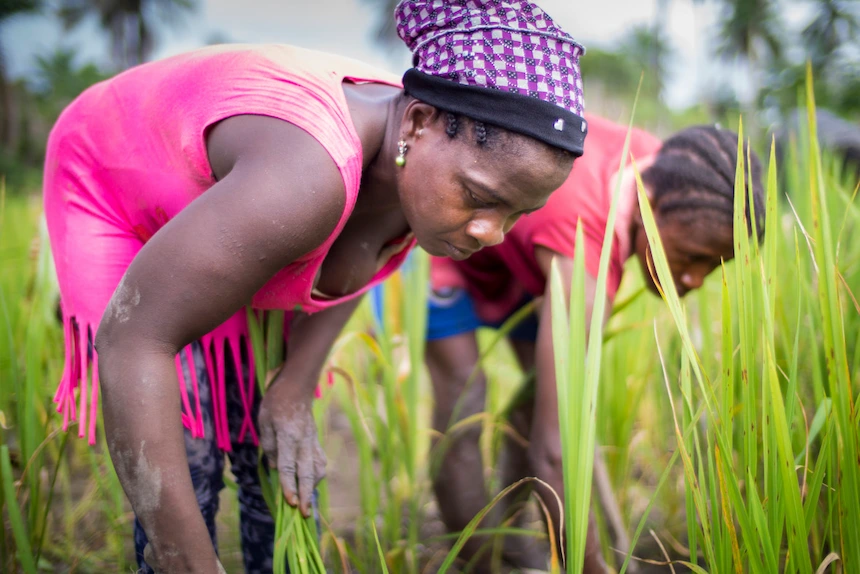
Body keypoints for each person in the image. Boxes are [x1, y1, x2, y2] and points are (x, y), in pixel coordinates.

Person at [43, 1, 588, 571]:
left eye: (516, 215)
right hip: (113, 170)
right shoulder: (306, 179)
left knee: (272, 450)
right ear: (418, 124)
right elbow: (134, 340)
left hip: (243, 208)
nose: (492, 234)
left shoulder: (421, 181)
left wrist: (295, 385)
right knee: (192, 458)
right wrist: (183, 557)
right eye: (480, 198)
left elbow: (349, 268)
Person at [425, 115, 765, 572]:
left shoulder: (672, 168)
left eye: (715, 265)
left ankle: (506, 532)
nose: (694, 280)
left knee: (538, 402)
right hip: (447, 236)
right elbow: (557, 449)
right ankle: (476, 562)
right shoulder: (583, 257)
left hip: (524, 255)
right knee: (465, 401)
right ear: (649, 204)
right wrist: (590, 564)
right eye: (692, 258)